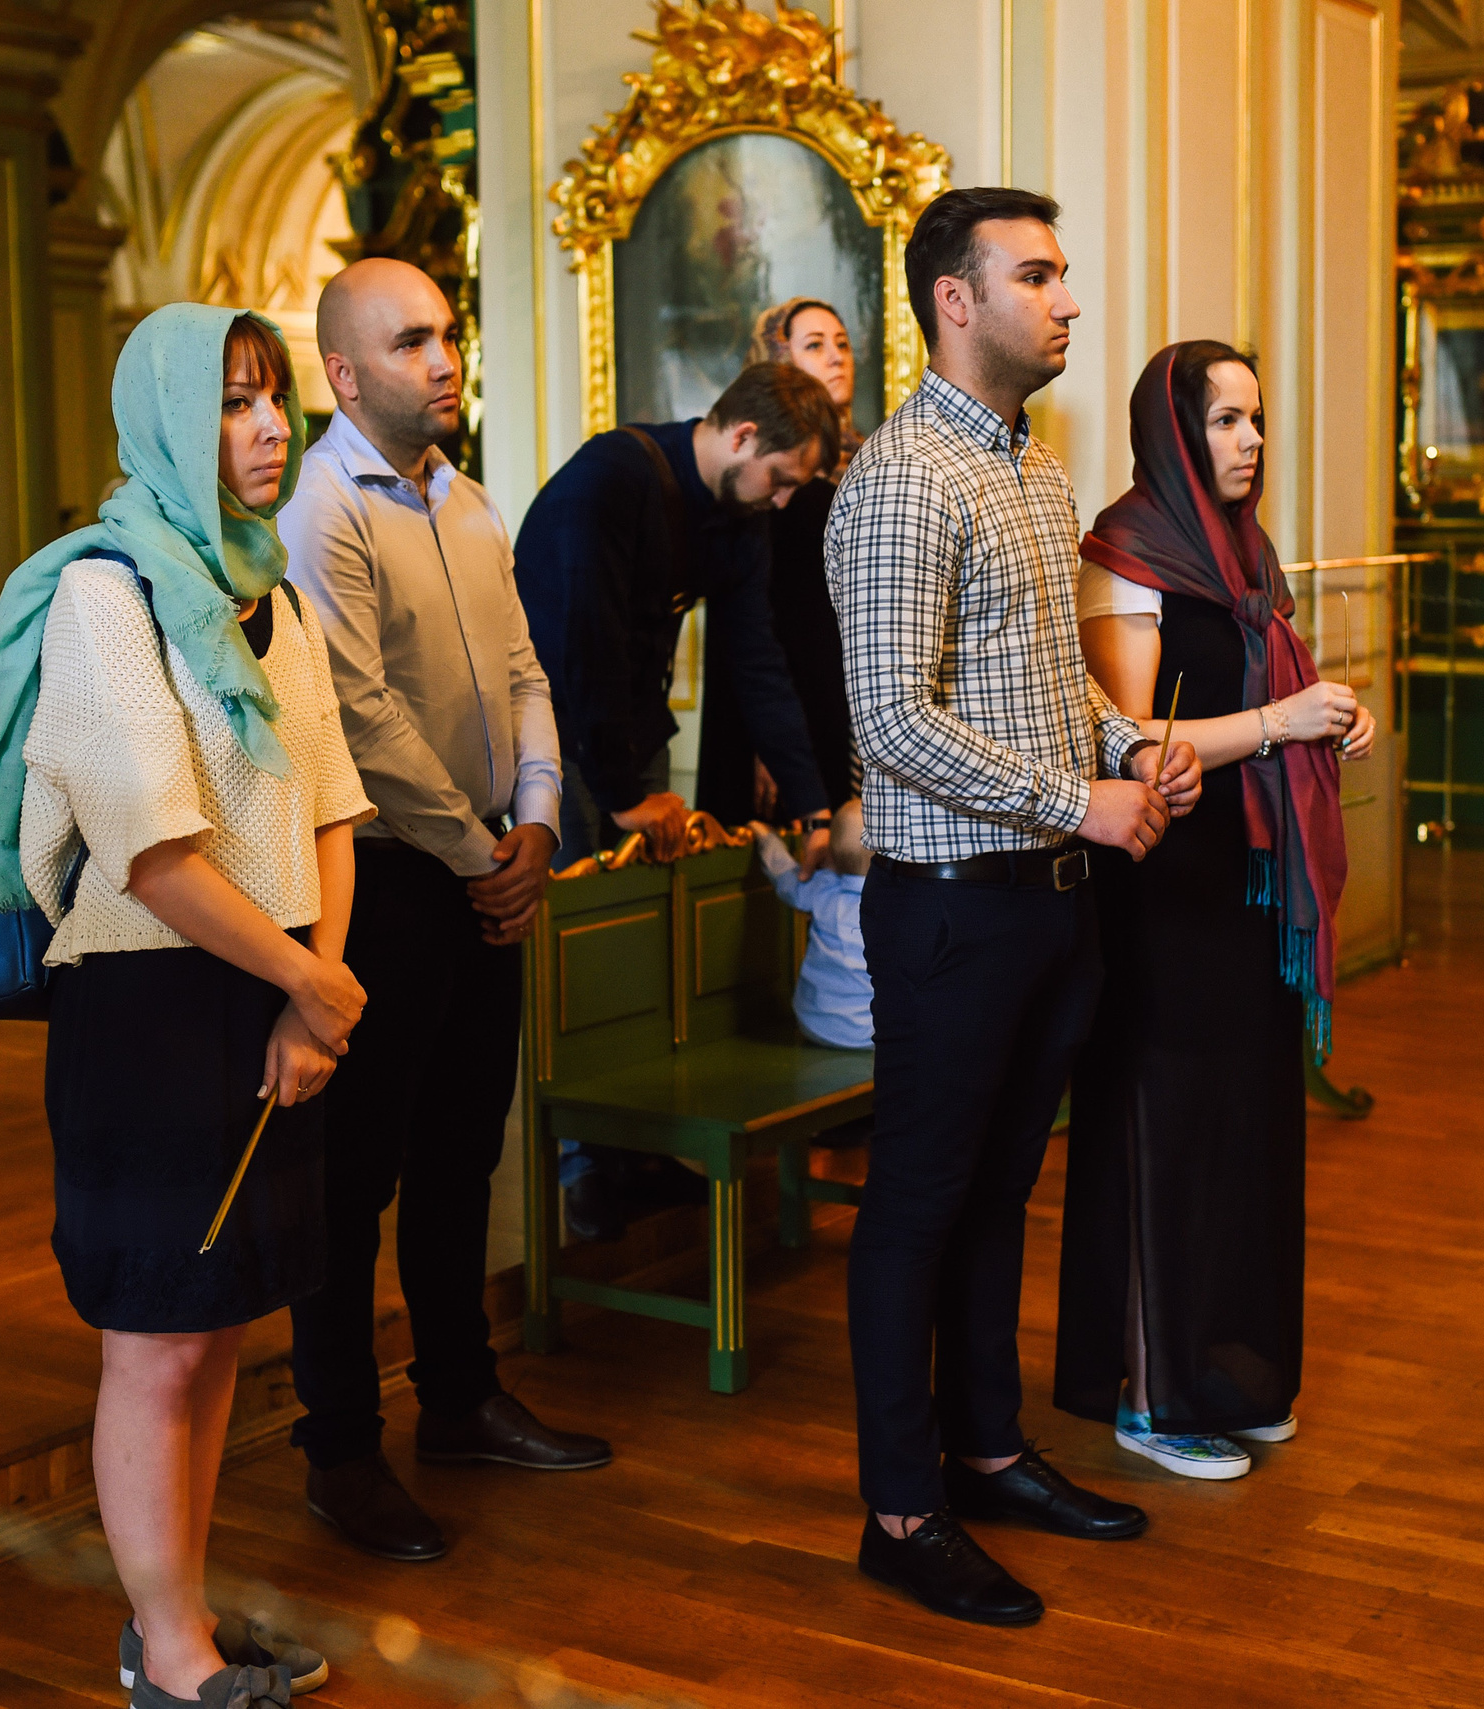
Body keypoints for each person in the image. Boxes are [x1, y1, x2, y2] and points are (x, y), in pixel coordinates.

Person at [0, 302, 371, 1709]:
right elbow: (149, 850)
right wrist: (312, 984)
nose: (267, 430)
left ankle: (175, 1616)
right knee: (154, 1333)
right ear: (163, 420)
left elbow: (329, 803)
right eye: (233, 402)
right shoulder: (103, 592)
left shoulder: (277, 594)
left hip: (273, 993)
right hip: (150, 1002)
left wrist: (313, 1000)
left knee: (220, 1327)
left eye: (275, 402)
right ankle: (171, 1661)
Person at [825, 186, 1203, 1628]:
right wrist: (1082, 802)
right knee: (916, 1205)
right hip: (951, 909)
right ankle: (900, 1508)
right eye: (1037, 276)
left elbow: (1041, 695)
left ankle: (985, 1452)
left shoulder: (1034, 475)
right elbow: (891, 724)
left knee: (998, 1195)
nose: (1069, 302)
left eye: (1064, 276)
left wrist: (1128, 748)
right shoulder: (905, 475)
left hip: (1051, 905)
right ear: (954, 300)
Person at [276, 259, 611, 1570]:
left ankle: (460, 1397)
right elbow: (363, 717)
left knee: (467, 1148)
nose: (445, 357)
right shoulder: (323, 510)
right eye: (412, 341)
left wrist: (534, 819)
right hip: (388, 883)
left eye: (449, 335)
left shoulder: (466, 499)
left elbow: (526, 672)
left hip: (486, 861)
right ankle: (340, 1452)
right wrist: (482, 849)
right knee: (353, 1182)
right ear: (346, 375)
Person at [1056, 341, 1367, 1482]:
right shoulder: (1125, 554)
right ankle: (1149, 1390)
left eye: (1256, 420)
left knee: (1246, 1128)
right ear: (1174, 434)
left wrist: (1327, 717)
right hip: (1165, 890)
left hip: (1245, 892)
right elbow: (1135, 745)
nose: (1250, 442)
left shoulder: (1247, 552)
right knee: (1164, 1131)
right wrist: (1287, 722)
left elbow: (1262, 690)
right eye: (1226, 422)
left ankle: (1232, 1369)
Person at [515, 361, 839, 1239]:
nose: (781, 502)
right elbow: (579, 645)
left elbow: (757, 657)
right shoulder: (611, 479)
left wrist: (810, 801)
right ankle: (587, 1167)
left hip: (626, 733)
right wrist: (623, 798)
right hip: (556, 735)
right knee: (590, 942)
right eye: (780, 479)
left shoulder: (737, 514)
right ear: (740, 437)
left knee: (643, 938)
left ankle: (638, 1151)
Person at [697, 298, 866, 823]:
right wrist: (763, 743)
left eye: (842, 343)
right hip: (779, 697)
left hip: (843, 699)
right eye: (814, 345)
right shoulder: (752, 481)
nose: (836, 356)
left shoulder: (870, 462)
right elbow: (747, 629)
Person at [751, 797, 872, 1050]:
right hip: (873, 1033)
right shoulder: (898, 901)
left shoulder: (820, 887)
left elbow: (781, 872)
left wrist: (766, 838)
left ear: (830, 852)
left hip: (815, 1025)